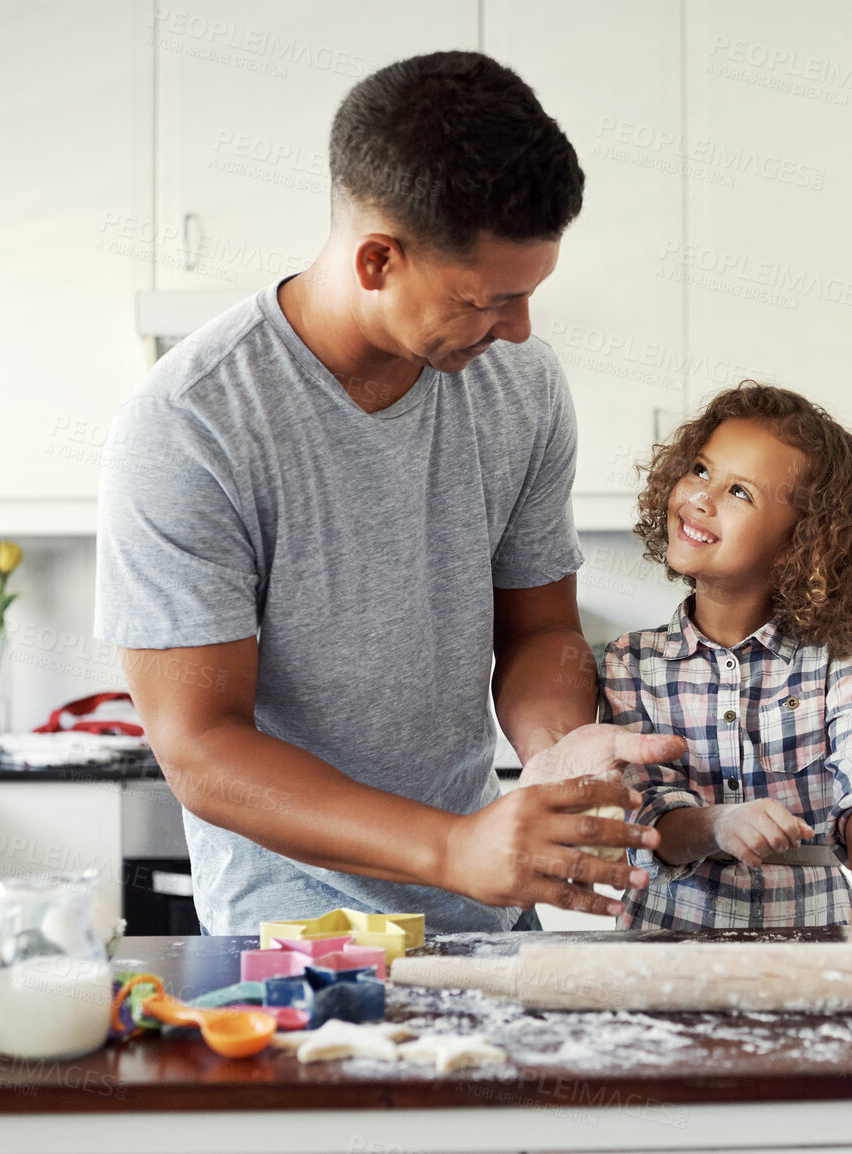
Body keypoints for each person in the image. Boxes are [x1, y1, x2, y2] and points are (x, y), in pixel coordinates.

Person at [93, 50, 683, 936]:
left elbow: (540, 629)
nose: (520, 329)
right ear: (377, 261)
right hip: (294, 935)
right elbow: (201, 749)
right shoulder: (190, 423)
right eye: (492, 299)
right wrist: (453, 849)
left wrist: (554, 750)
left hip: (487, 907)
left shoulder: (520, 385)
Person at [599, 383, 852, 957]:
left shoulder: (835, 661)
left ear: (798, 544)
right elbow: (651, 821)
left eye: (738, 492)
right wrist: (719, 825)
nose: (701, 499)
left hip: (811, 947)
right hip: (665, 953)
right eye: (701, 470)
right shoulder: (631, 663)